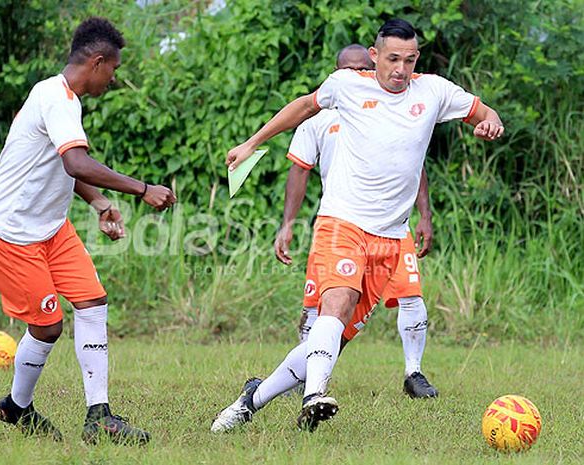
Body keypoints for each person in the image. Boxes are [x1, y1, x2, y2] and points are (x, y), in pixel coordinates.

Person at [214, 18, 503, 433]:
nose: (400, 69)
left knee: (333, 340)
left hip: (390, 237)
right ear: (374, 56)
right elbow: (302, 106)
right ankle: (313, 396)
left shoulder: (434, 91)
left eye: (409, 60)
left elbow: (482, 112)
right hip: (342, 222)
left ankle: (251, 399)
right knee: (337, 302)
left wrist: (490, 123)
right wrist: (251, 143)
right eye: (392, 59)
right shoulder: (347, 85)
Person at [0, 17, 176, 445]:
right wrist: (142, 190)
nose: (114, 78)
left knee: (92, 301)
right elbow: (77, 163)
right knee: (48, 326)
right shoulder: (57, 97)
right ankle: (17, 407)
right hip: (10, 233)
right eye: (114, 69)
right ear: (98, 62)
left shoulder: (58, 95)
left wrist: (100, 202)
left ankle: (99, 416)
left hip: (50, 228)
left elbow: (64, 164)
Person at [276, 44, 437, 399]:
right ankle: (304, 377)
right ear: (336, 73)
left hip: (394, 226)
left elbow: (413, 163)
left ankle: (414, 372)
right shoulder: (318, 120)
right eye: (348, 70)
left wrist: (424, 214)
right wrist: (288, 223)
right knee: (323, 306)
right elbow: (299, 171)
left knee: (411, 295)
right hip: (342, 225)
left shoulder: (391, 111)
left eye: (362, 69)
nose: (356, 76)